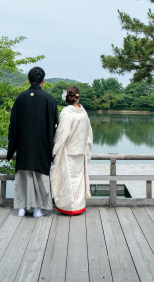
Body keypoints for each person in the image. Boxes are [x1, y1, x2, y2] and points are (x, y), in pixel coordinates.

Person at [7, 66, 58, 217]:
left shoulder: (20, 98)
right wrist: (53, 148)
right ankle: (39, 209)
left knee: (23, 175)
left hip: (23, 146)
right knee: (41, 176)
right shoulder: (49, 99)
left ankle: (22, 207)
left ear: (29, 80)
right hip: (42, 146)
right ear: (43, 80)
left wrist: (12, 148)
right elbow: (55, 126)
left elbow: (13, 125)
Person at [50, 86, 93, 215]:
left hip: (68, 151)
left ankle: (68, 207)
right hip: (80, 151)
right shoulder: (83, 113)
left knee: (67, 179)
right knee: (78, 179)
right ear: (78, 97)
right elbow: (89, 133)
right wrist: (87, 147)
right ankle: (79, 206)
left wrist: (55, 150)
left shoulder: (66, 113)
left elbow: (61, 134)